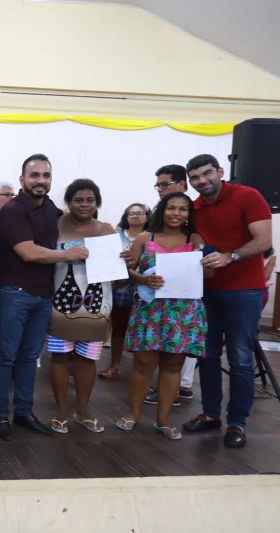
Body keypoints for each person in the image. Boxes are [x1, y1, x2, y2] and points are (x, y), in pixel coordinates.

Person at [0, 154, 88, 441]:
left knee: (30, 357)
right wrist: (67, 254)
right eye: (34, 175)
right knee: (7, 357)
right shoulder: (12, 210)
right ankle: (0, 414)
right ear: (22, 180)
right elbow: (28, 252)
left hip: (43, 296)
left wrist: (104, 237)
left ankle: (23, 411)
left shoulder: (50, 209)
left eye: (46, 175)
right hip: (14, 294)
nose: (40, 181)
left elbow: (76, 229)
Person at [183, 154, 272, 448]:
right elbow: (193, 237)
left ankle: (237, 422)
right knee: (206, 356)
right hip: (207, 290)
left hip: (244, 290)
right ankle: (210, 414)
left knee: (241, 358)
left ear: (221, 172)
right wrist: (195, 243)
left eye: (207, 174)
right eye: (195, 178)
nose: (202, 181)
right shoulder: (194, 207)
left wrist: (229, 256)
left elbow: (262, 241)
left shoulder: (248, 196)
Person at [116, 192, 209, 439]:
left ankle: (163, 418)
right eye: (171, 208)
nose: (176, 213)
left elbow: (207, 275)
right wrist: (143, 278)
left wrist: (208, 264)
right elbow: (128, 271)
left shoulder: (196, 239)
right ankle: (133, 413)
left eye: (182, 209)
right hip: (150, 310)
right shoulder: (146, 238)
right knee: (143, 363)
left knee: (173, 364)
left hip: (184, 312)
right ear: (161, 210)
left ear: (189, 214)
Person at [47, 179, 114, 434]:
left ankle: (83, 411)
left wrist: (124, 260)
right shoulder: (56, 226)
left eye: (89, 199)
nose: (84, 204)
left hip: (97, 305)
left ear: (97, 202)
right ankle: (61, 411)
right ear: (69, 202)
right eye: (78, 199)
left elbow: (117, 273)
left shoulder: (107, 230)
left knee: (87, 359)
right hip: (60, 304)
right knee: (60, 357)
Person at [142, 164, 195, 403]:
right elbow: (133, 267)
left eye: (165, 184)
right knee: (145, 360)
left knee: (177, 359)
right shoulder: (150, 235)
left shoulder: (195, 233)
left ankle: (180, 388)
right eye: (158, 185)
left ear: (182, 185)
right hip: (152, 305)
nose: (160, 189)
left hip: (184, 305)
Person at [99, 203, 150, 379]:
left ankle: (141, 369)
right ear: (126, 216)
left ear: (148, 216)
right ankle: (115, 364)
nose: (136, 215)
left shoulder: (152, 237)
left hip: (145, 290)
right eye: (132, 213)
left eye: (140, 212)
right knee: (118, 329)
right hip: (118, 289)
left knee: (141, 331)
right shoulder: (115, 236)